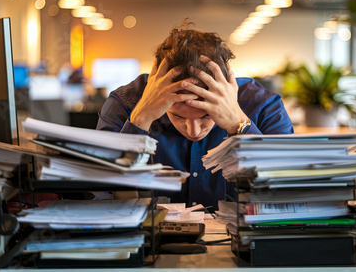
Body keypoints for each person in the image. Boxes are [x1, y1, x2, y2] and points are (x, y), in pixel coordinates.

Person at [97, 20, 293, 210]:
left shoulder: (264, 106)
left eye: (207, 116)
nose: (193, 131)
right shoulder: (124, 104)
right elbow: (102, 193)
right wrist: (140, 119)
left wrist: (239, 125)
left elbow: (288, 191)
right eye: (179, 117)